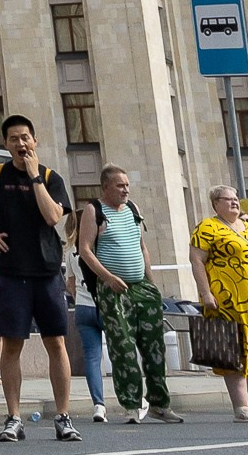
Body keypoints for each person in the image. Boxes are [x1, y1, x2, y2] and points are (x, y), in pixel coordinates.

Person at [0, 114, 79, 445]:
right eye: (14, 138)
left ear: (35, 140)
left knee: (56, 342)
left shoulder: (51, 178)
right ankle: (13, 417)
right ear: (5, 144)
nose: (21, 143)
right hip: (11, 272)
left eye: (25, 137)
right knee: (11, 344)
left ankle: (63, 417)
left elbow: (53, 216)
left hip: (46, 271)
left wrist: (33, 178)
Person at [76, 165, 180, 428]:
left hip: (140, 286)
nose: (126, 189)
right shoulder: (94, 210)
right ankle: (132, 404)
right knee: (122, 346)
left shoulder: (132, 209)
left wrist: (151, 282)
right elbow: (85, 250)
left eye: (127, 185)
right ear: (106, 187)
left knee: (153, 345)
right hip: (113, 289)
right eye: (120, 185)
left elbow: (142, 246)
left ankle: (159, 403)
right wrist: (108, 277)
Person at [189, 182, 248, 421]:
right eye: (228, 199)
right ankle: (241, 406)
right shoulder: (207, 227)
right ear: (216, 204)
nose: (234, 202)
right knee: (232, 351)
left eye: (236, 198)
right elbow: (196, 260)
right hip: (225, 300)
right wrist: (206, 293)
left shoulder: (246, 227)